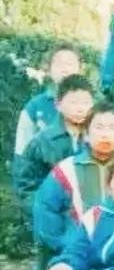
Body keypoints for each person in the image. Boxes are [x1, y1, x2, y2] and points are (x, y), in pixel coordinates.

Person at [33, 103, 114, 270]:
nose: (105, 134)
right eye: (99, 127)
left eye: (112, 128)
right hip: (75, 257)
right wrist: (66, 245)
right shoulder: (65, 170)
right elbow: (46, 211)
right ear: (86, 134)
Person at [13, 75, 95, 222]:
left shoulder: (99, 138)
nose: (80, 108)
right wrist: (46, 217)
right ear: (58, 104)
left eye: (86, 102)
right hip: (53, 218)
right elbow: (26, 188)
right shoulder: (42, 142)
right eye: (73, 102)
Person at [14, 44, 82, 158]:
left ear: (79, 69)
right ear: (49, 70)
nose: (65, 69)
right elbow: (22, 153)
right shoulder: (34, 108)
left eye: (70, 64)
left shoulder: (93, 108)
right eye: (59, 64)